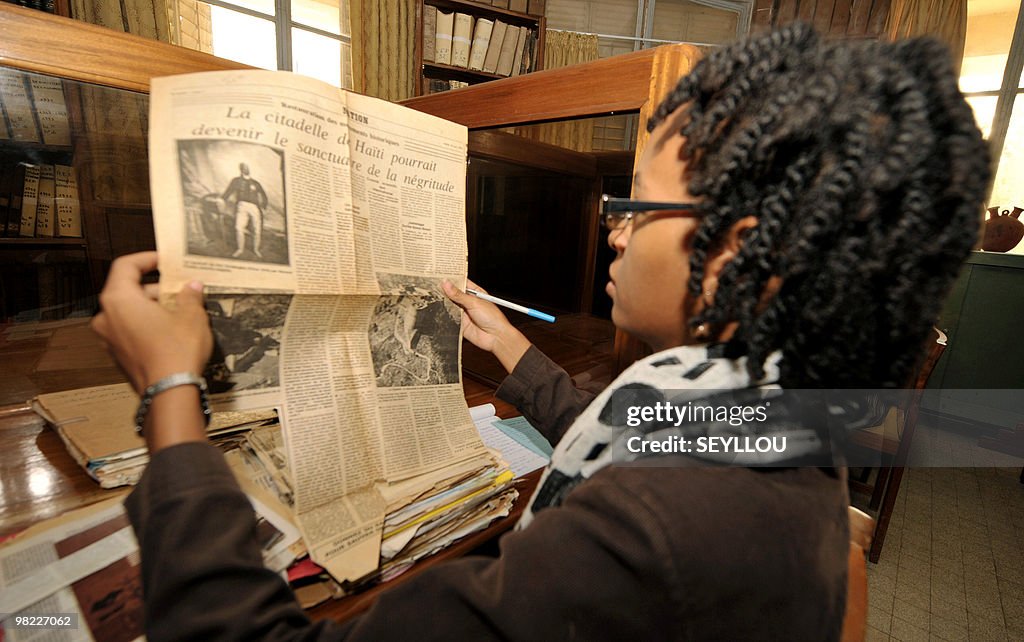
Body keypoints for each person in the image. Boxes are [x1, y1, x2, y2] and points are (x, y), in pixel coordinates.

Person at [91, 24, 989, 641]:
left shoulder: (660, 534)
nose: (615, 226)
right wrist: (513, 353)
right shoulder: (780, 413)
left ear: (736, 254)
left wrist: (171, 393)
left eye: (636, 201)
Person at [222, 162, 268, 258]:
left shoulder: (256, 183)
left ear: (249, 169)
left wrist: (264, 207)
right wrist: (222, 199)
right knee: (238, 228)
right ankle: (240, 249)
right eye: (243, 167)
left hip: (254, 207)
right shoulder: (236, 181)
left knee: (257, 230)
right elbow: (229, 191)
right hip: (241, 206)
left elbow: (264, 195)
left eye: (247, 167)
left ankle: (256, 249)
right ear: (240, 169)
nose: (245, 169)